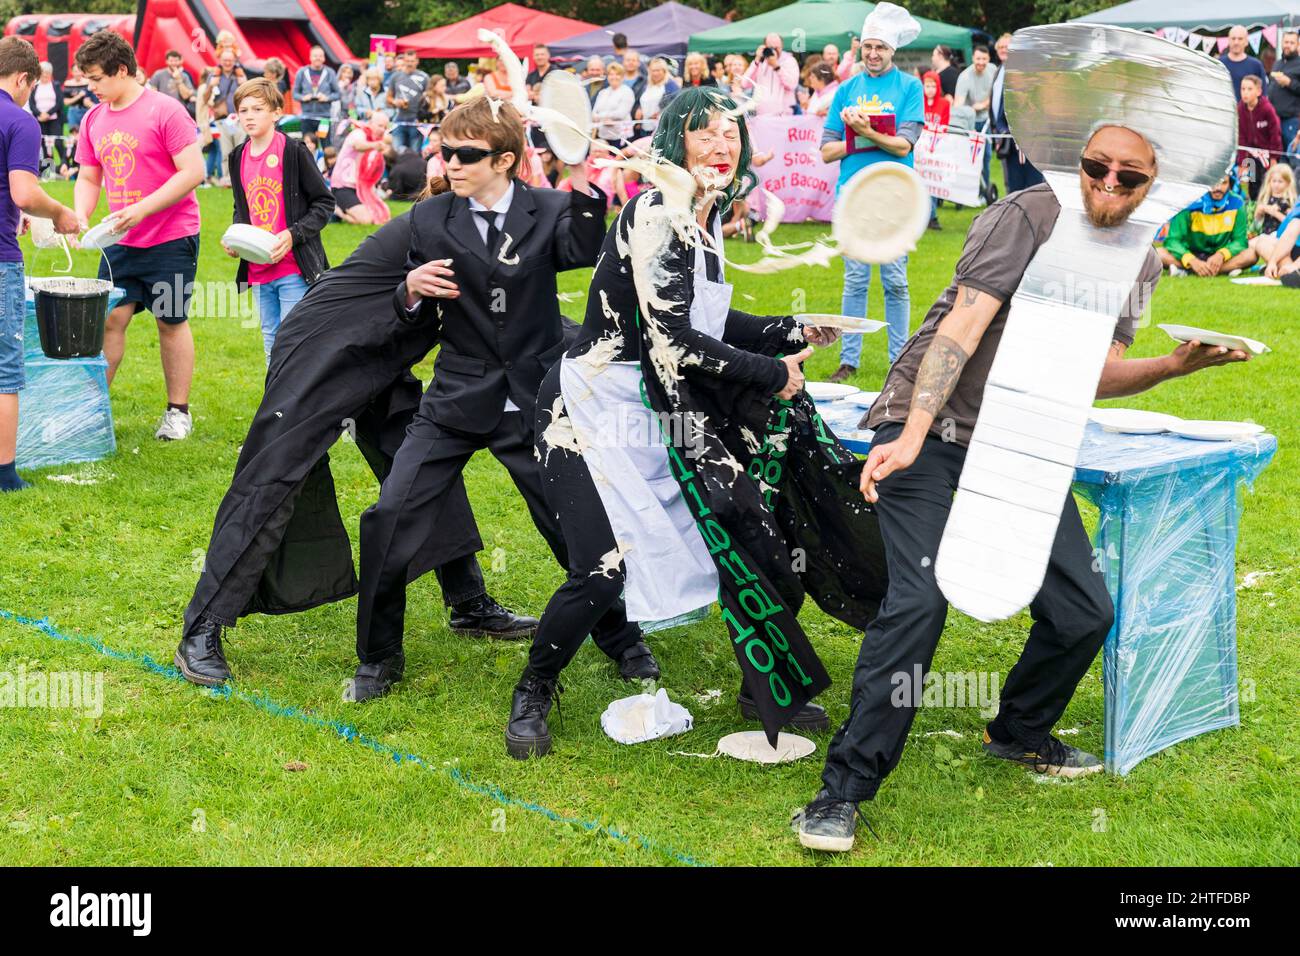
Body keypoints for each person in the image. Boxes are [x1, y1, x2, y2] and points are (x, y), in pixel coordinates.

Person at [794, 123, 1253, 854]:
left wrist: (1174, 366)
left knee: (1082, 612)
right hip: (935, 429)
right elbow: (962, 327)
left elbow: (1095, 372)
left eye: (1128, 177)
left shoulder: (1142, 261)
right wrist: (911, 431)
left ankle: (1017, 732)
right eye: (1096, 166)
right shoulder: (1029, 215)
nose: (1106, 183)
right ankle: (841, 791)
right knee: (919, 600)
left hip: (1021, 443)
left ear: (1153, 187)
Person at [508, 85, 886, 758]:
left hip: (664, 408)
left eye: (731, 134)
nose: (721, 145)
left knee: (749, 533)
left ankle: (762, 686)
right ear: (676, 140)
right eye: (704, 133)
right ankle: (535, 688)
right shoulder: (657, 211)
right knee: (602, 568)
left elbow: (708, 318)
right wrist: (774, 371)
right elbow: (674, 339)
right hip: (589, 409)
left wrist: (788, 327)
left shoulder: (704, 215)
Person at [350, 96, 648, 702]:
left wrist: (584, 175)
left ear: (505, 160)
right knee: (388, 517)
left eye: (466, 155)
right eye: (444, 150)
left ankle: (622, 639)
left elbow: (585, 247)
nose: (450, 162)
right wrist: (409, 289)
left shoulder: (549, 209)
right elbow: (411, 310)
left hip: (538, 400)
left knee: (575, 530)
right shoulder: (431, 217)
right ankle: (378, 658)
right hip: (457, 396)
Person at [176, 180, 523, 686]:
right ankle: (202, 627)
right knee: (273, 478)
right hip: (323, 349)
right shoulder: (442, 228)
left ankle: (468, 601)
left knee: (426, 464)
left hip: (383, 355)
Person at [73, 30, 205, 440]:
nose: (90, 88)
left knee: (170, 320)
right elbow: (89, 176)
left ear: (122, 70)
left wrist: (141, 209)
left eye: (95, 79)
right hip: (119, 244)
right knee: (111, 319)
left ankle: (177, 412)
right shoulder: (93, 119)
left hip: (171, 237)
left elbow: (193, 171)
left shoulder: (165, 111)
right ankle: (92, 409)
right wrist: (81, 213)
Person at [822, 3, 925, 380]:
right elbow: (826, 150)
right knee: (856, 279)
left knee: (895, 279)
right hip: (853, 196)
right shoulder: (846, 90)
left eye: (880, 47)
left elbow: (904, 146)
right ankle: (849, 360)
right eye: (868, 47)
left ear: (892, 50)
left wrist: (866, 132)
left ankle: (899, 360)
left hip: (895, 196)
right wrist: (861, 138)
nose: (874, 54)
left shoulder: (910, 86)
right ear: (860, 48)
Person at [0, 37, 79, 493]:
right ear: (23, 79)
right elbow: (24, 191)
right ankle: (5, 474)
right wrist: (59, 213)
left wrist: (17, 215)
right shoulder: (20, 119)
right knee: (5, 371)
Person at [224, 78, 333, 360]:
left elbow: (324, 203)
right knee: (270, 338)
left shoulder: (293, 152)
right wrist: (236, 235)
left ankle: (298, 402)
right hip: (258, 269)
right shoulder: (237, 157)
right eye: (243, 110)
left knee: (293, 339)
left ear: (276, 113)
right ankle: (276, 402)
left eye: (257, 109)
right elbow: (242, 207)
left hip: (293, 267)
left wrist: (293, 234)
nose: (249, 116)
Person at [1156, 175, 1253, 276]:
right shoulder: (1189, 202)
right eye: (1214, 183)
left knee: (1251, 254)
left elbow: (1240, 241)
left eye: (1224, 183)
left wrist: (1222, 254)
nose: (1218, 188)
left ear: (1230, 184)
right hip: (1191, 254)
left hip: (1221, 258)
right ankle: (1220, 270)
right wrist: (1191, 260)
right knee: (1158, 254)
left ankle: (1190, 271)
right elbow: (1172, 241)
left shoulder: (1237, 202)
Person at [989, 33, 1044, 197]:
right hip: (1008, 140)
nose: (1004, 50)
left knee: (1033, 187)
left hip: (1031, 142)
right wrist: (1000, 130)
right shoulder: (998, 71)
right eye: (1001, 47)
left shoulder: (1030, 76)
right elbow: (999, 109)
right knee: (1012, 186)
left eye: (1008, 47)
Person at [331, 110, 391, 225]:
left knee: (384, 216)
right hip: (343, 186)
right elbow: (358, 146)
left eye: (385, 127)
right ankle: (336, 210)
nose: (382, 129)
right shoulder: (358, 133)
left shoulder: (376, 140)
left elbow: (389, 139)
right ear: (370, 123)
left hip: (362, 188)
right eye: (380, 126)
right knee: (366, 220)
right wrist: (375, 145)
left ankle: (347, 210)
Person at [955, 44, 997, 197]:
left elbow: (996, 94)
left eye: (984, 59)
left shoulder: (993, 70)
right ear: (973, 58)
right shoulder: (965, 77)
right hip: (969, 123)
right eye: (978, 58)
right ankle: (967, 191)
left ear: (989, 59)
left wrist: (983, 105)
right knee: (969, 159)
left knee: (985, 157)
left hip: (985, 121)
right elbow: (958, 103)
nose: (981, 62)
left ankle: (983, 193)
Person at [1237, 75, 1283, 199]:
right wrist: (1242, 163)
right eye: (1243, 89)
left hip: (1267, 155)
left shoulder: (1267, 109)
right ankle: (1251, 206)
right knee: (1251, 183)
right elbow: (1241, 137)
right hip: (1251, 154)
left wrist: (1274, 158)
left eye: (1249, 89)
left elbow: (1275, 134)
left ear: (1258, 91)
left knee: (1267, 183)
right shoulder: (1240, 109)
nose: (1245, 92)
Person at [744, 33, 798, 115]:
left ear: (782, 46)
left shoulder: (789, 61)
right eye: (770, 47)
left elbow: (792, 85)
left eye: (776, 48)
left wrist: (776, 67)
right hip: (761, 114)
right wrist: (756, 60)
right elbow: (745, 83)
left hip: (783, 114)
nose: (774, 51)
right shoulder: (760, 62)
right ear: (765, 46)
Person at [1267, 30, 1300, 165]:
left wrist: (1289, 83)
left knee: (1293, 158)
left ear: (1298, 44)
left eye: (1292, 42)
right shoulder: (1278, 63)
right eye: (1286, 42)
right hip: (1274, 120)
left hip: (1291, 120)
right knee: (1278, 159)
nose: (1288, 45)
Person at [293, 46, 339, 140]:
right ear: (310, 57)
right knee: (307, 147)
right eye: (315, 56)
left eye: (320, 56)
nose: (318, 58)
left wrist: (327, 98)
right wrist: (303, 98)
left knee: (324, 145)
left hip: (324, 118)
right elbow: (295, 94)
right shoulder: (302, 72)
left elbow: (338, 94)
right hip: (307, 117)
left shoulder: (330, 72)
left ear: (324, 58)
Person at [28, 61, 65, 176]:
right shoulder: (36, 86)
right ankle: (49, 169)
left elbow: (59, 102)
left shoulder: (56, 85)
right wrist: (39, 114)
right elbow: (32, 103)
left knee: (58, 143)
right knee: (44, 144)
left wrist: (48, 113)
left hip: (54, 119)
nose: (45, 76)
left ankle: (65, 166)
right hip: (40, 120)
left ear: (51, 74)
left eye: (47, 73)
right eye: (43, 73)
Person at [386, 50, 427, 153]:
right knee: (396, 152)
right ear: (404, 61)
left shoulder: (424, 77)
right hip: (399, 120)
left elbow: (430, 99)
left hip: (416, 121)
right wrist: (395, 102)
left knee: (415, 153)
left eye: (412, 61)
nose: (409, 63)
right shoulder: (395, 76)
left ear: (417, 61)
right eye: (407, 61)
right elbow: (388, 98)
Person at [1220, 25, 1267, 103]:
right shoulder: (1220, 64)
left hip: (1249, 113)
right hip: (1224, 111)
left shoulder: (1256, 65)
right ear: (1228, 40)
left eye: (1240, 39)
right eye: (1233, 38)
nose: (1236, 42)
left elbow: (1263, 95)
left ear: (1246, 42)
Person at [592, 62, 634, 149]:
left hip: (621, 136)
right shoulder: (603, 92)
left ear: (622, 77)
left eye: (617, 74)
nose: (614, 77)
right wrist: (600, 117)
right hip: (603, 135)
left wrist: (600, 116)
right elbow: (594, 112)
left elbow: (621, 113)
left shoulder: (627, 92)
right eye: (611, 74)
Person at [634, 57, 678, 136]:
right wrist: (639, 109)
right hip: (645, 127)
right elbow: (642, 101)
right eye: (653, 70)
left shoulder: (670, 85)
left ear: (664, 71)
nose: (655, 73)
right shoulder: (647, 85)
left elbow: (675, 104)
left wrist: (660, 113)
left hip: (661, 129)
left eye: (658, 70)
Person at [147, 49, 194, 114]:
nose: (174, 63)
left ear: (180, 61)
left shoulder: (185, 76)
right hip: (162, 110)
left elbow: (185, 96)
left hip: (179, 110)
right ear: (166, 61)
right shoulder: (158, 74)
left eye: (176, 61)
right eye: (171, 61)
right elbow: (152, 94)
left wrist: (179, 80)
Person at [1253, 162, 1295, 234]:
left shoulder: (1287, 201)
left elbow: (1290, 224)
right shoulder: (1267, 198)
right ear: (1269, 181)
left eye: (1280, 181)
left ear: (1288, 183)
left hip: (1280, 236)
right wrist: (1259, 211)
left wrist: (1275, 213)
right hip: (1265, 234)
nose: (1276, 184)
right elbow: (1256, 224)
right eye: (1274, 181)